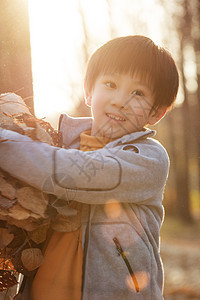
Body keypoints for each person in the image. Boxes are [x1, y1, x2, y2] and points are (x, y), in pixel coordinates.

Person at [0, 35, 179, 300]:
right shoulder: (60, 145)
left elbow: (69, 174)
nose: (121, 100)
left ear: (156, 113)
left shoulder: (147, 158)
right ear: (88, 90)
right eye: (110, 84)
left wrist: (5, 142)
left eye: (138, 93)